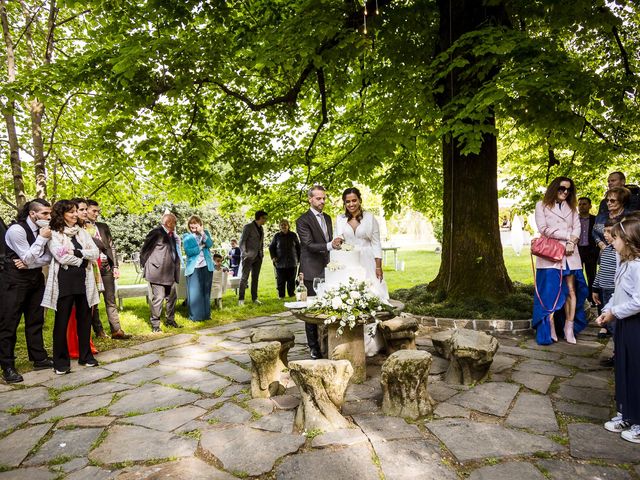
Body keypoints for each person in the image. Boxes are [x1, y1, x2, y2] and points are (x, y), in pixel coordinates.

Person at [42, 200, 100, 374]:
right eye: (71, 212)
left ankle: (86, 356)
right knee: (62, 321)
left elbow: (95, 252)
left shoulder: (81, 232)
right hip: (64, 282)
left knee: (85, 320)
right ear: (61, 214)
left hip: (84, 281)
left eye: (76, 211)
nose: (75, 214)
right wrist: (83, 261)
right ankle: (60, 362)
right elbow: (61, 257)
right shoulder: (53, 233)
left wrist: (77, 252)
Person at [596, 216, 640, 444]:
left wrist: (615, 312)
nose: (612, 242)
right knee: (623, 368)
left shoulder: (638, 267)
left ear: (630, 240)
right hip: (622, 322)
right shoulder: (624, 264)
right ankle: (627, 414)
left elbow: (639, 301)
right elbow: (618, 293)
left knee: (636, 371)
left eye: (617, 238)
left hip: (635, 326)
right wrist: (607, 310)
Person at [0, 200, 53, 383]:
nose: (49, 217)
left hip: (35, 280)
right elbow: (27, 257)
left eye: (49, 214)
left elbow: (46, 258)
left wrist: (31, 262)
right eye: (45, 214)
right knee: (9, 323)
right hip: (13, 281)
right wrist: (42, 240)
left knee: (36, 319)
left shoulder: (43, 230)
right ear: (33, 214)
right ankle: (7, 366)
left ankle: (39, 358)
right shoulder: (17, 230)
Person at [532, 177, 589, 345]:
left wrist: (572, 242)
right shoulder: (541, 205)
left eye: (568, 190)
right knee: (551, 292)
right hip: (551, 254)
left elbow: (577, 227)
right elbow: (543, 229)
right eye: (562, 189)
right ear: (554, 188)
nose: (565, 192)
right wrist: (567, 236)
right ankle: (549, 327)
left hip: (571, 253)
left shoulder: (571, 208)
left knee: (572, 290)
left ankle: (568, 327)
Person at [336, 187, 389, 356]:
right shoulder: (340, 219)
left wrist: (378, 266)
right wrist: (336, 241)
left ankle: (372, 344)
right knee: (351, 298)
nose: (351, 204)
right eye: (348, 201)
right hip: (349, 262)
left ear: (359, 200)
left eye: (354, 200)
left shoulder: (370, 218)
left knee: (371, 296)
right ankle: (351, 342)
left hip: (367, 260)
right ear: (344, 203)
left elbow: (376, 243)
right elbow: (338, 240)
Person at [296, 186, 343, 359]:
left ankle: (326, 342)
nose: (322, 201)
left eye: (324, 198)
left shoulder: (328, 218)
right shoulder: (302, 220)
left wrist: (335, 243)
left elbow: (328, 241)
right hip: (310, 270)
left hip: (328, 269)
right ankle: (313, 347)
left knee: (329, 306)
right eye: (318, 198)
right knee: (311, 310)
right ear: (310, 199)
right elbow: (308, 244)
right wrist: (330, 245)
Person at [85, 199, 130, 339]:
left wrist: (115, 265)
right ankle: (99, 331)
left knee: (111, 300)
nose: (97, 214)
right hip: (92, 268)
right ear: (85, 210)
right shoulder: (81, 229)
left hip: (106, 267)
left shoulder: (103, 226)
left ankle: (116, 330)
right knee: (94, 302)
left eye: (98, 211)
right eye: (94, 211)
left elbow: (111, 246)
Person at [72, 197, 107, 339]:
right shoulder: (71, 230)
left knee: (90, 305)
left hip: (91, 267)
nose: (85, 212)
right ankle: (78, 342)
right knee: (77, 309)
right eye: (81, 210)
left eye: (86, 209)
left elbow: (98, 248)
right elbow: (67, 254)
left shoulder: (87, 229)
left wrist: (84, 252)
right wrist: (84, 252)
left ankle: (87, 341)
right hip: (75, 273)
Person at [140, 213, 182, 332]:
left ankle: (170, 320)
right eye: (175, 222)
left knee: (172, 297)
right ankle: (155, 325)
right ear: (169, 223)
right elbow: (145, 250)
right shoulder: (156, 233)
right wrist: (146, 266)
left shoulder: (172, 235)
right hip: (157, 272)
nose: (176, 225)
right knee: (158, 297)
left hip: (170, 271)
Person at [593, 219, 618, 360]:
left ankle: (617, 355)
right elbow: (600, 271)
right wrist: (595, 288)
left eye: (610, 231)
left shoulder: (620, 252)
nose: (606, 235)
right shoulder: (606, 250)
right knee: (610, 324)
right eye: (605, 231)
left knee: (615, 325)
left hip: (614, 292)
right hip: (604, 291)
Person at [182, 215, 214, 321]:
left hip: (206, 265)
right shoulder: (187, 236)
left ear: (200, 224)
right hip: (193, 267)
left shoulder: (206, 233)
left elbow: (209, 244)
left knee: (205, 292)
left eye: (195, 225)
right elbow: (189, 252)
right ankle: (195, 317)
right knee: (195, 292)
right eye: (191, 225)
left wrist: (202, 233)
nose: (193, 227)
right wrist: (200, 246)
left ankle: (206, 315)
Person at [238, 210, 267, 305]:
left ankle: (255, 298)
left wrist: (261, 254)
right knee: (244, 278)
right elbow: (242, 241)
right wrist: (245, 254)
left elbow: (261, 243)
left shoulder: (261, 228)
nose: (265, 220)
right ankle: (241, 299)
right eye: (264, 218)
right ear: (259, 218)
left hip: (258, 257)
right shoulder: (248, 227)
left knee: (255, 278)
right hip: (248, 257)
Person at [593, 186, 633, 250]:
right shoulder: (600, 217)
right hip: (604, 252)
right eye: (607, 200)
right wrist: (600, 244)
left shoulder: (630, 217)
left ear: (622, 202)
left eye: (612, 201)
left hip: (625, 252)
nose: (608, 203)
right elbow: (594, 232)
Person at [269, 219, 301, 299]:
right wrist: (273, 257)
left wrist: (299, 259)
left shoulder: (293, 235)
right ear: (279, 227)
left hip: (292, 261)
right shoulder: (276, 236)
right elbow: (271, 247)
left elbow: (298, 247)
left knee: (291, 280)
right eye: (282, 225)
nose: (283, 226)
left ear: (288, 226)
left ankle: (291, 294)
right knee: (280, 280)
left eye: (285, 225)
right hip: (280, 262)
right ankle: (281, 295)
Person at [577, 197, 598, 306]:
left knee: (592, 276)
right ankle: (579, 298)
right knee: (577, 275)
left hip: (591, 251)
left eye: (584, 204)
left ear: (590, 206)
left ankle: (591, 299)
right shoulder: (574, 220)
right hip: (577, 251)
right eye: (580, 204)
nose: (582, 206)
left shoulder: (595, 219)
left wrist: (596, 250)